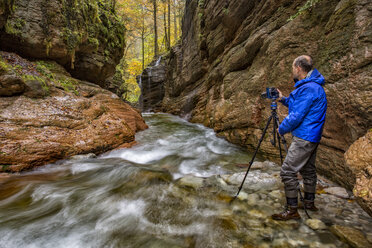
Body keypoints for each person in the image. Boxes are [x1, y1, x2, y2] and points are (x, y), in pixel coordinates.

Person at [272, 55, 327, 221]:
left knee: (288, 172)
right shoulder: (313, 86)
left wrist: (281, 129)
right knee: (308, 171)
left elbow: (296, 116)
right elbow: (299, 106)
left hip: (304, 137)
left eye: (292, 68)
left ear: (298, 68)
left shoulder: (308, 88)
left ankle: (292, 211)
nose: (292, 71)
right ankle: (309, 203)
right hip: (312, 136)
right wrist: (282, 99)